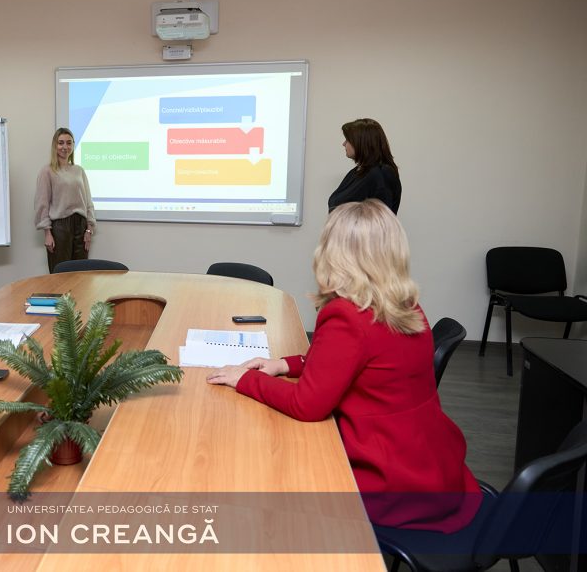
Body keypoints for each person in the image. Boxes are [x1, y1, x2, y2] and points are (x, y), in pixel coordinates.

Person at [206, 200, 481, 533]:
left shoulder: (347, 316)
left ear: (333, 254)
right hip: (429, 465)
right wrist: (283, 364)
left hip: (386, 480)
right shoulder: (404, 305)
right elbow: (352, 363)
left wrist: (243, 379)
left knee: (269, 467)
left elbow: (306, 405)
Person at [33, 127, 97, 272]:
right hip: (60, 228)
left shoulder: (79, 171)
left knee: (81, 274)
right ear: (55, 145)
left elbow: (88, 201)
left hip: (81, 226)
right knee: (60, 273)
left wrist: (89, 229)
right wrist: (47, 233)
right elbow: (42, 204)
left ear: (73, 145)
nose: (65, 147)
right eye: (61, 143)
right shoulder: (47, 171)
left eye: (69, 143)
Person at [328, 118, 402, 214]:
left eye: (348, 140)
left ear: (361, 142)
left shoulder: (381, 173)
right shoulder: (356, 172)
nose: (344, 144)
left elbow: (381, 218)